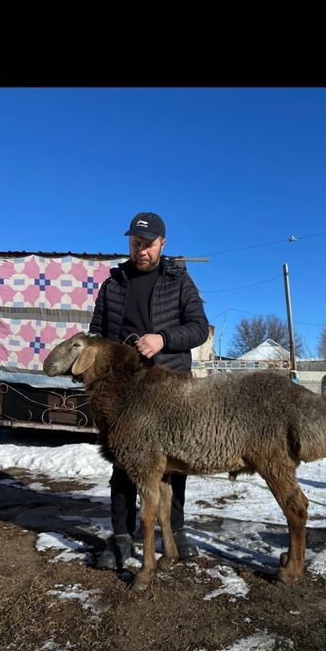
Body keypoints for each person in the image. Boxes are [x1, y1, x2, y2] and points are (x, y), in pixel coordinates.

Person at [88, 211, 209, 570]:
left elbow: (199, 328)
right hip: (125, 391)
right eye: (135, 243)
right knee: (123, 462)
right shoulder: (114, 283)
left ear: (163, 244)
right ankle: (122, 537)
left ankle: (176, 530)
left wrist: (163, 338)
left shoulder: (179, 280)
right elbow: (97, 335)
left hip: (169, 386)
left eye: (148, 244)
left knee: (174, 461)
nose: (141, 251)